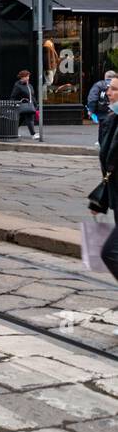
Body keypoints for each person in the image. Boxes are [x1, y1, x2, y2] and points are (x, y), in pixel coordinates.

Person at [90, 75, 118, 280]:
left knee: (109, 253)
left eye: (114, 89)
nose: (108, 92)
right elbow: (110, 165)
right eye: (110, 88)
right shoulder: (111, 120)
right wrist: (101, 201)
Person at [10, 69, 39, 140]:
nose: (27, 78)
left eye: (28, 76)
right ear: (21, 77)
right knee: (30, 119)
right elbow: (13, 96)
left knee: (21, 119)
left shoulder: (30, 86)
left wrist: (36, 105)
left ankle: (12, 132)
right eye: (26, 76)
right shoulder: (18, 86)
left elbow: (32, 96)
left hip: (30, 105)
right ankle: (33, 134)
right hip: (23, 105)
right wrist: (14, 105)